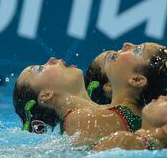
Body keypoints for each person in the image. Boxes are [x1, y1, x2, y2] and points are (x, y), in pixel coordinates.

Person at [13, 57, 141, 144]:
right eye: (39, 69)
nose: (51, 59)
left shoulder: (100, 111)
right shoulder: (81, 120)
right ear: (46, 95)